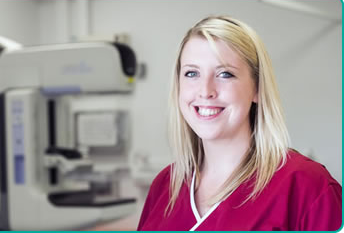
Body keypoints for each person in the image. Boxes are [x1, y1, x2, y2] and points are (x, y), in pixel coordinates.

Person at [137, 16, 342, 231]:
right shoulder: (165, 185)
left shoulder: (307, 186)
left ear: (257, 88)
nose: (206, 91)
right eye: (192, 73)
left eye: (225, 74)